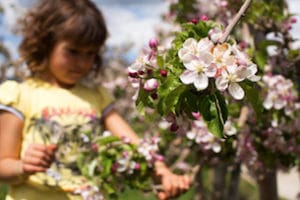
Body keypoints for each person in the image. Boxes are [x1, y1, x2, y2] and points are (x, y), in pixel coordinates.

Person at [0, 0, 190, 200]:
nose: (82, 62)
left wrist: (163, 172)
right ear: (45, 44)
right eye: (73, 51)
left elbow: (135, 144)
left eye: (90, 54)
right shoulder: (21, 95)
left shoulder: (97, 97)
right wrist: (23, 166)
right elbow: (3, 164)